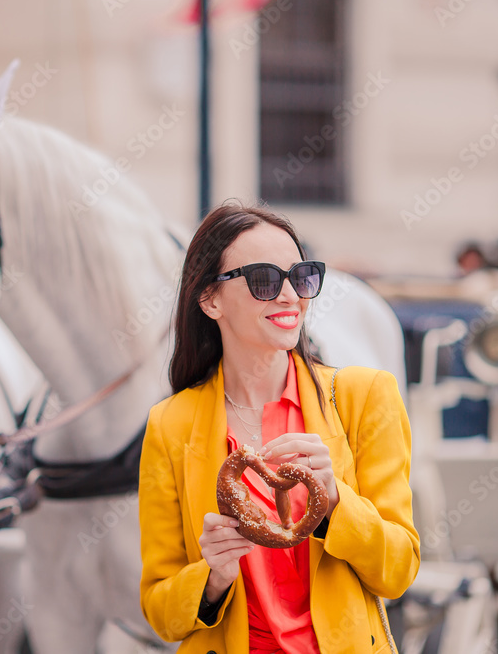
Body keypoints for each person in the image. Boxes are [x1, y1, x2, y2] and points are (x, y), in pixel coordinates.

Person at [138, 201, 419, 653]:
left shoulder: (365, 397)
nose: (291, 296)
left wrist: (334, 505)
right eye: (265, 280)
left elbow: (399, 570)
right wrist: (212, 577)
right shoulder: (169, 424)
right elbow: (159, 609)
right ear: (210, 299)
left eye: (302, 276)